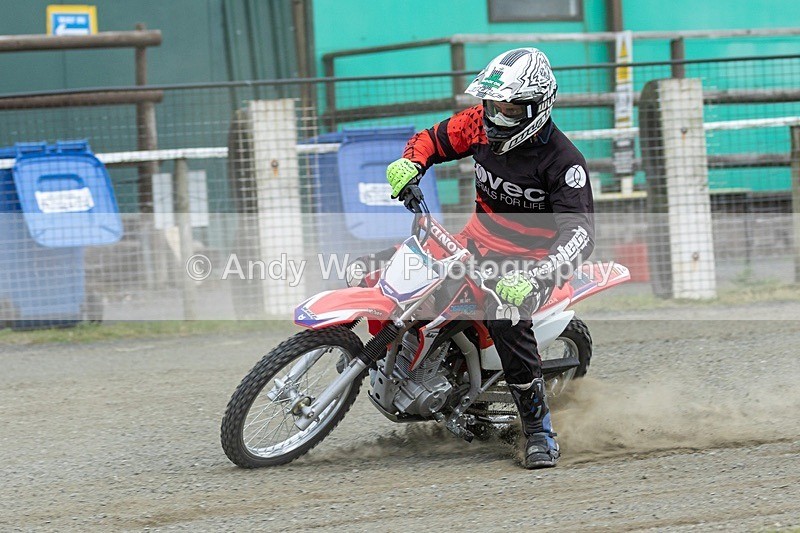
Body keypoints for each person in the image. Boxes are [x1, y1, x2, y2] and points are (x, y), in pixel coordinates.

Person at [358, 48, 594, 468]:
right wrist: (410, 162)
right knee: (375, 267)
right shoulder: (479, 125)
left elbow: (580, 234)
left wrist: (537, 277)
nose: (495, 117)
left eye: (508, 110)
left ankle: (538, 430)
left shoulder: (564, 163)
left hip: (530, 264)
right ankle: (367, 352)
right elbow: (432, 139)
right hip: (472, 242)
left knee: (505, 318)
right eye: (492, 106)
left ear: (536, 108)